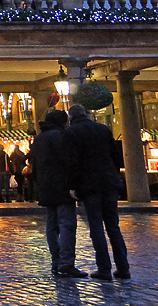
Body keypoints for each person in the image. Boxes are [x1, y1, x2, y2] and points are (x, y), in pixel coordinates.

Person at [65, 104, 130, 280]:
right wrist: (113, 175)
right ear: (86, 114)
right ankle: (123, 268)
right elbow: (117, 157)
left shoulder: (72, 133)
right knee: (113, 226)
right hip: (109, 183)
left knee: (96, 226)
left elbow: (73, 162)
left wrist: (73, 186)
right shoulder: (103, 129)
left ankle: (104, 269)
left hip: (89, 186)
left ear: (70, 117)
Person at [31, 109, 86, 278]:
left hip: (46, 188)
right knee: (67, 224)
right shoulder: (60, 136)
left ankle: (56, 261)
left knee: (51, 225)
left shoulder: (39, 139)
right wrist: (73, 185)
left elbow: (34, 166)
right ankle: (66, 263)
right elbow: (70, 161)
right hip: (62, 187)